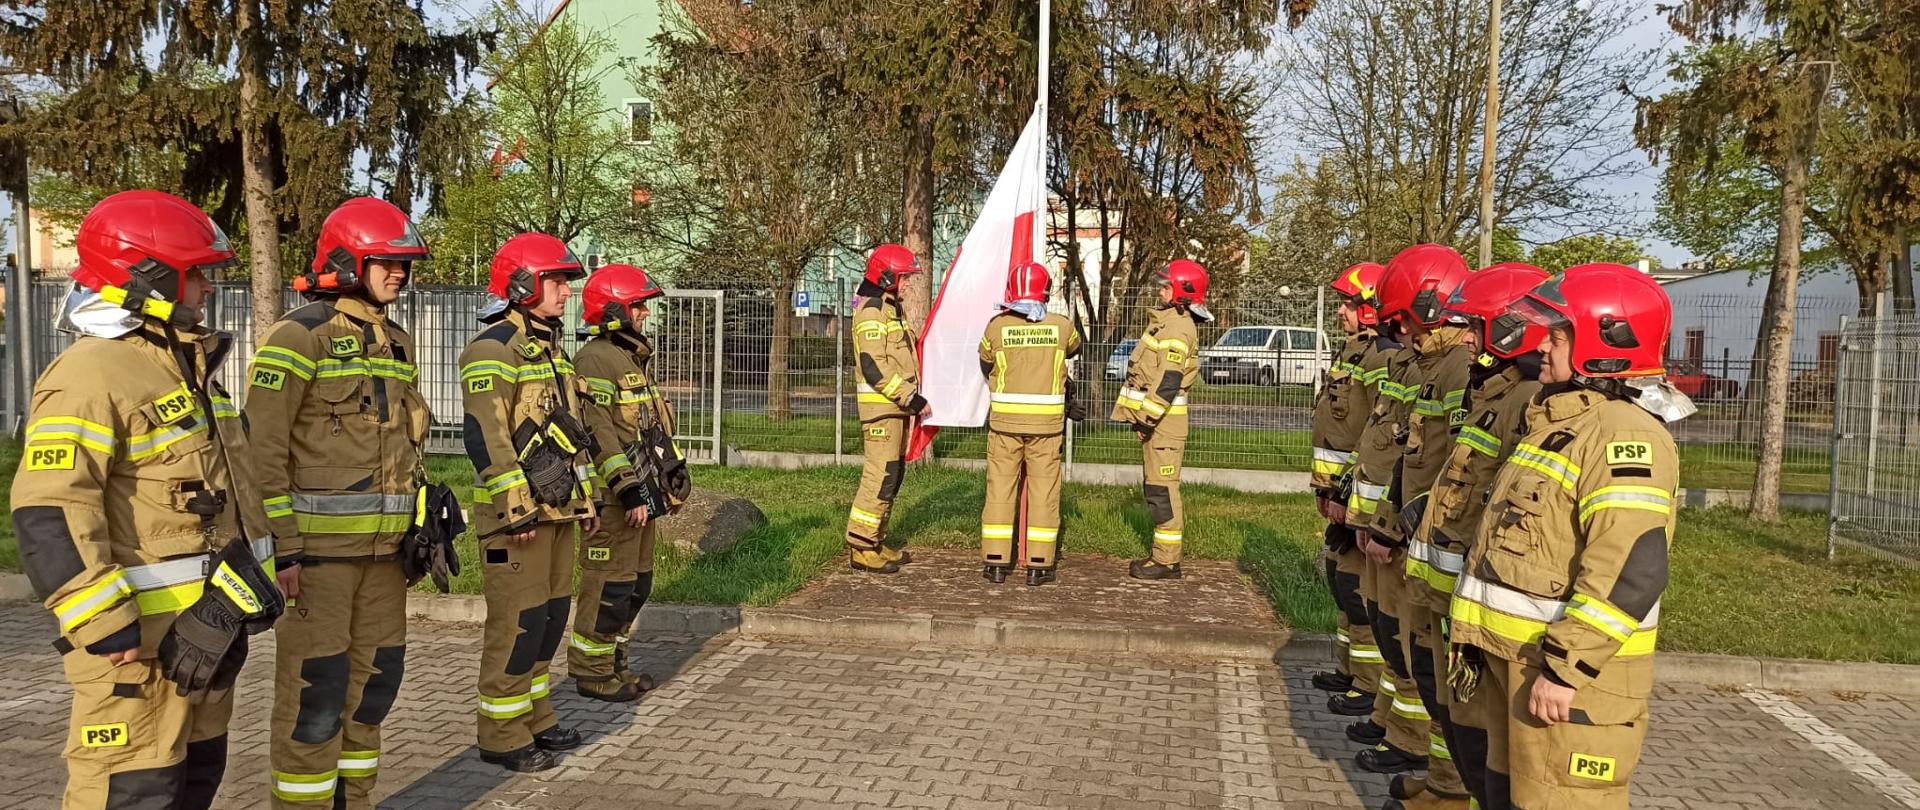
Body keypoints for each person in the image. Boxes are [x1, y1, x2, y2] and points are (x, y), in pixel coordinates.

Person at [11, 190, 281, 809]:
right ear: (149, 278)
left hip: (206, 634)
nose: (209, 288)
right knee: (131, 791)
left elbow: (228, 486)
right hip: (136, 649)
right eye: (197, 274)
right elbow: (49, 509)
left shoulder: (182, 367)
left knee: (194, 782)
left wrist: (266, 571)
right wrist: (103, 623)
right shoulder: (91, 374)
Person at [1449, 263, 1685, 810]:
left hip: (1567, 685)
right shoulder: (1559, 425)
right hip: (1519, 665)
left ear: (1606, 342)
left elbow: (1632, 569)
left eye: (1559, 333)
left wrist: (1566, 668)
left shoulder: (1623, 434)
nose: (1545, 344)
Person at [247, 198, 433, 807]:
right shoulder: (298, 336)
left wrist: (422, 519)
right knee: (316, 697)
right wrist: (281, 551)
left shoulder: (396, 341)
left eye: (404, 264)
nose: (399, 273)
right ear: (349, 260)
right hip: (318, 563)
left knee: (375, 689)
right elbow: (262, 452)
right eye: (387, 261)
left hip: (386, 559)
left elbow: (402, 443)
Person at [1390, 262, 1547, 810]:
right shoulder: (1492, 393)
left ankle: (1452, 793)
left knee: (1482, 732)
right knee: (1453, 709)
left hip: (1477, 595)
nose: (1468, 339)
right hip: (1447, 581)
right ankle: (1446, 788)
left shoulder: (1524, 403)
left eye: (1477, 328)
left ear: (1508, 329)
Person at [459, 233, 601, 773]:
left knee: (547, 620)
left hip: (559, 511)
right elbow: (487, 437)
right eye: (556, 281)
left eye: (565, 281)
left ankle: (535, 718)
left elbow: (571, 435)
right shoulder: (492, 349)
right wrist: (516, 507)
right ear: (522, 285)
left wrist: (584, 499)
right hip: (517, 520)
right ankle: (499, 733)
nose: (566, 292)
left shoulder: (552, 351)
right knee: (516, 627)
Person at [1345, 244, 1473, 786]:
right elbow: (1390, 446)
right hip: (1396, 522)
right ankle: (1401, 731)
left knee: (1418, 646)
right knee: (1394, 630)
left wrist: (1395, 528)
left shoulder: (1455, 368)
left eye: (1406, 320)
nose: (1401, 330)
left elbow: (1447, 465)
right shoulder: (1420, 361)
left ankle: (1428, 759)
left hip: (1423, 535)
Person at [568, 263, 688, 701]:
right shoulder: (595, 359)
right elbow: (601, 433)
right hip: (617, 500)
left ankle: (615, 663)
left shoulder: (629, 357)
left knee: (636, 586)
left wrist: (669, 475)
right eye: (638, 306)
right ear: (614, 310)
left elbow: (648, 429)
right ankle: (591, 671)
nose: (645, 315)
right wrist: (627, 489)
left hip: (642, 496)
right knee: (608, 587)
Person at [1309, 262, 1393, 720]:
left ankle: (1367, 685)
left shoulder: (1382, 356)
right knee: (1342, 584)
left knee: (1359, 591)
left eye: (1347, 304)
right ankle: (1348, 669)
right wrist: (1326, 489)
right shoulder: (1354, 351)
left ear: (1371, 309)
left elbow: (1375, 437)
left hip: (1361, 500)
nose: (1341, 311)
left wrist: (1347, 496)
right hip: (1340, 494)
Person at [977, 261, 1082, 586]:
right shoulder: (1062, 326)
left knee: (1000, 492)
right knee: (1043, 493)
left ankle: (996, 563)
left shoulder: (996, 327)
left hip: (1005, 425)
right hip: (1047, 429)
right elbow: (1075, 349)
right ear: (1046, 290)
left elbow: (984, 364)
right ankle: (1039, 565)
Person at [1115, 259, 1211, 580]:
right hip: (1159, 423)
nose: (1160, 290)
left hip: (1163, 424)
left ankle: (1167, 561)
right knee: (1156, 488)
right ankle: (1162, 556)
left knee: (1163, 491)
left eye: (1166, 285)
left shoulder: (1178, 328)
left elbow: (1168, 381)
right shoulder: (1168, 322)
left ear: (1182, 292)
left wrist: (1146, 420)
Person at [845, 243, 929, 574]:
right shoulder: (872, 312)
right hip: (883, 409)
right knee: (879, 477)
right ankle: (861, 547)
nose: (908, 284)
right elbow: (874, 367)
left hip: (893, 409)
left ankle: (875, 540)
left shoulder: (890, 309)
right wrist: (910, 396)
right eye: (904, 278)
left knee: (891, 476)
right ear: (887, 276)